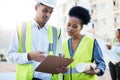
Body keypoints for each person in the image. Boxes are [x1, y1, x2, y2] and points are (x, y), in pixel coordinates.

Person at [7, 0, 67, 80]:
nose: (48, 15)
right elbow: (10, 56)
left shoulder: (56, 32)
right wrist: (29, 56)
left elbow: (59, 57)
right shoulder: (21, 28)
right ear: (36, 7)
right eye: (45, 10)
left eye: (51, 12)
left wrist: (62, 67)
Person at [62, 6, 106, 80]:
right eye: (68, 25)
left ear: (81, 27)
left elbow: (101, 64)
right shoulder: (63, 44)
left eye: (75, 26)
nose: (70, 28)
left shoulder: (91, 42)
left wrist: (95, 71)